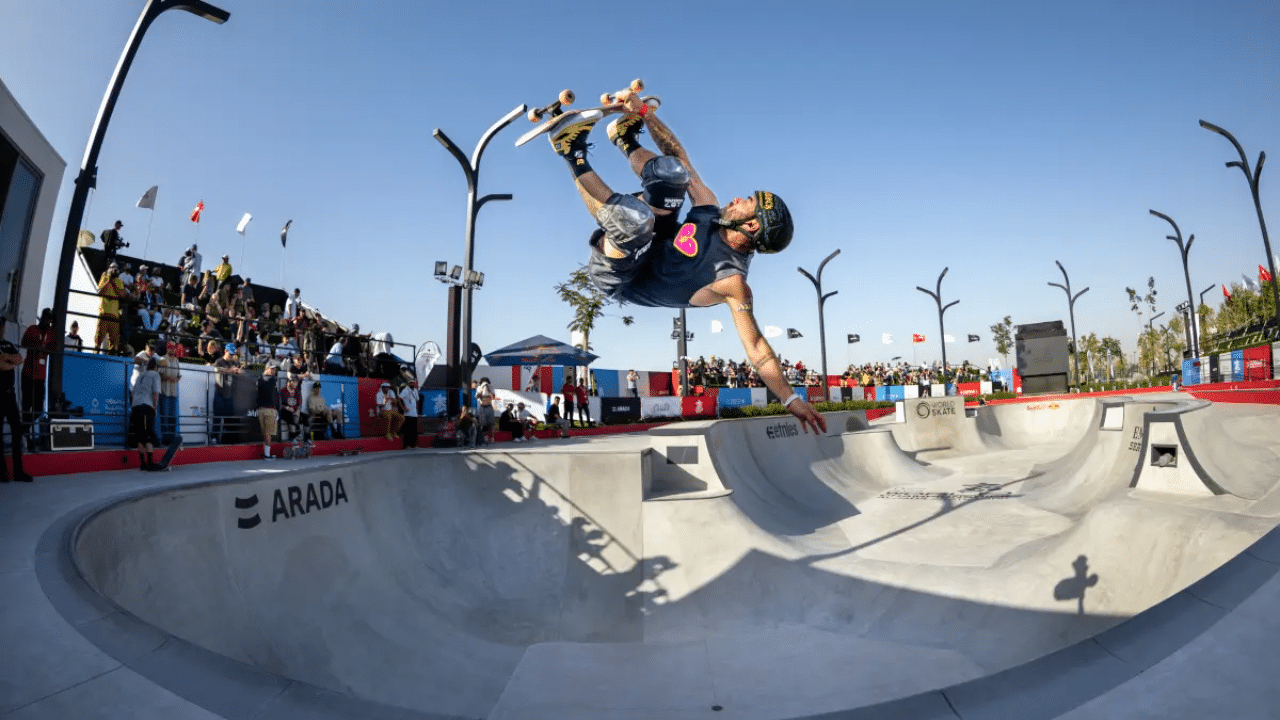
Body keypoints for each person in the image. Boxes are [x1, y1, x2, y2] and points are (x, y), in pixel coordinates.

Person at [546, 95, 825, 434]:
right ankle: (624, 137)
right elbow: (681, 158)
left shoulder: (732, 281)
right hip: (651, 237)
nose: (737, 199)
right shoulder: (710, 209)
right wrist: (644, 113)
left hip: (619, 274)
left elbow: (757, 349)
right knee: (674, 173)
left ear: (751, 225)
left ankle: (571, 151)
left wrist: (790, 399)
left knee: (636, 221)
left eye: (746, 203)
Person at [0, 317, 32, 482]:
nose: (2, 329)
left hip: (9, 395)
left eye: (3, 327)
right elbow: (2, 365)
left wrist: (6, 358)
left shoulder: (8, 345)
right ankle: (3, 473)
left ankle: (18, 472)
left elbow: (19, 359)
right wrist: (9, 362)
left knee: (17, 431)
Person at [20, 308, 56, 428]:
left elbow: (55, 348)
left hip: (40, 377)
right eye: (46, 318)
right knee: (26, 406)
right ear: (42, 317)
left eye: (49, 319)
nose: (47, 321)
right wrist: (36, 347)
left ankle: (23, 429)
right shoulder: (32, 329)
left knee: (39, 408)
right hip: (28, 374)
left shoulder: (51, 333)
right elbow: (23, 343)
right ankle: (24, 432)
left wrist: (46, 350)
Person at [127, 355, 161, 471]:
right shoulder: (155, 375)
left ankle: (143, 464)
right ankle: (150, 463)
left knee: (139, 438)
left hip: (135, 407)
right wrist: (155, 407)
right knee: (148, 437)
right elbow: (155, 393)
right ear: (155, 367)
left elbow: (132, 393)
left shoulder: (140, 375)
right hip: (146, 407)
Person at [95, 262, 128, 353]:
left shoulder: (119, 281)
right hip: (104, 313)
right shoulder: (104, 277)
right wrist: (108, 281)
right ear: (109, 269)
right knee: (98, 338)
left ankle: (111, 357)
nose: (114, 269)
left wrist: (113, 282)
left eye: (116, 268)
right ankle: (95, 354)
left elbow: (121, 295)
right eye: (112, 267)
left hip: (114, 315)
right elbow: (99, 292)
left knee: (114, 341)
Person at [212, 343, 242, 443]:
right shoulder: (219, 361)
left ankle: (227, 440)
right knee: (217, 418)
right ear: (225, 351)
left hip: (230, 394)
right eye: (230, 353)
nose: (231, 356)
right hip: (220, 393)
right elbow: (217, 370)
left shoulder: (234, 362)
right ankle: (214, 438)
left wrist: (239, 371)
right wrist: (231, 370)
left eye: (233, 354)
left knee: (229, 420)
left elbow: (240, 371)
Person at [157, 343, 181, 444]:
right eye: (170, 348)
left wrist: (176, 379)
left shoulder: (176, 360)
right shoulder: (163, 359)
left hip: (173, 393)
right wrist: (167, 378)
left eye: (173, 348)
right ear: (167, 349)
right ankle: (164, 439)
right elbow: (158, 375)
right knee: (164, 416)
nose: (172, 350)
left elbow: (179, 375)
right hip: (164, 392)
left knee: (172, 417)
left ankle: (171, 438)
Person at [256, 364, 281, 459]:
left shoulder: (259, 378)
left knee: (266, 433)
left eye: (274, 369)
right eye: (271, 369)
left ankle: (267, 453)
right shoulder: (272, 379)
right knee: (268, 433)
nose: (273, 371)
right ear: (266, 369)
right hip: (269, 410)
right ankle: (267, 455)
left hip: (261, 410)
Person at [398, 379, 420, 449]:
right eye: (410, 383)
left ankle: (413, 445)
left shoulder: (415, 390)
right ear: (408, 383)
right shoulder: (405, 390)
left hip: (414, 413)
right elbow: (399, 399)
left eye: (413, 383)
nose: (412, 384)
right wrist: (403, 408)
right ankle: (407, 445)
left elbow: (417, 400)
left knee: (414, 430)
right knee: (407, 431)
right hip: (408, 414)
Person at [475, 376, 495, 446]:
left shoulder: (491, 387)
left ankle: (492, 437)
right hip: (482, 407)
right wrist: (481, 391)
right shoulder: (479, 387)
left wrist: (489, 390)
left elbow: (493, 397)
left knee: (491, 423)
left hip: (489, 406)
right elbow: (477, 397)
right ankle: (485, 437)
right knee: (483, 423)